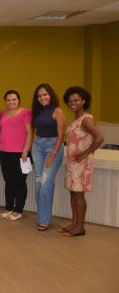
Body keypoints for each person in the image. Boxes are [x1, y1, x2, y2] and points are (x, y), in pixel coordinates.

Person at [60, 87, 104, 237]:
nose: (73, 103)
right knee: (73, 193)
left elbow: (100, 138)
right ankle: (74, 223)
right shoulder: (77, 118)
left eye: (76, 100)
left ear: (83, 101)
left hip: (81, 163)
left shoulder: (86, 119)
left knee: (79, 195)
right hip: (73, 162)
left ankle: (80, 227)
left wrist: (85, 153)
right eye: (70, 101)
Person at [31, 83, 66, 231]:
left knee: (46, 184)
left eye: (45, 94)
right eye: (39, 96)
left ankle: (44, 219)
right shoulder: (37, 111)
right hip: (37, 146)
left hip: (53, 147)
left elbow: (61, 135)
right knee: (39, 184)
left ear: (50, 95)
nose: (42, 97)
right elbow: (32, 130)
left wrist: (53, 154)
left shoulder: (57, 111)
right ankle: (41, 217)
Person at [0, 90, 32, 221]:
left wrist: (25, 150)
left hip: (20, 153)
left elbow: (29, 133)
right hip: (5, 152)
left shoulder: (25, 113)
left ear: (19, 100)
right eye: (8, 100)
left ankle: (18, 210)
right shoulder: (3, 113)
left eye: (14, 99)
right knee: (8, 181)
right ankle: (9, 208)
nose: (11, 102)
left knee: (20, 182)